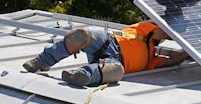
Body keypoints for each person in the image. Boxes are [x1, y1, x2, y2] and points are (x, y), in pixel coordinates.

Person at [23, 21, 189, 87]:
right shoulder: (147, 29)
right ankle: (41, 62)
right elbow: (164, 31)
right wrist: (183, 32)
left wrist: (189, 53)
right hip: (108, 42)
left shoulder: (151, 58)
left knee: (116, 72)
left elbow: (170, 61)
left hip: (114, 62)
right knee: (80, 36)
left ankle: (80, 74)